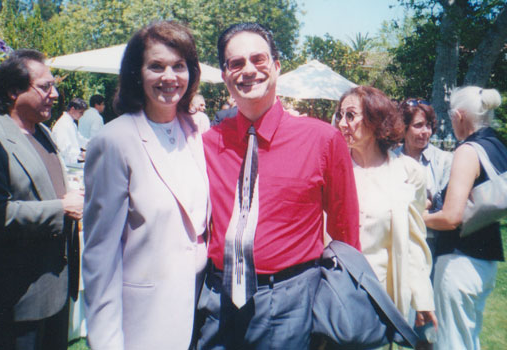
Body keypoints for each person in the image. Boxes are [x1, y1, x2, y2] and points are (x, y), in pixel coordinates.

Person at [197, 23, 360, 350]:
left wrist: (336, 304)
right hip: (216, 300)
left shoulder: (322, 140)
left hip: (290, 303)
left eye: (258, 59)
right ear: (225, 74)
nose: (248, 71)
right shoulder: (206, 144)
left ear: (276, 66)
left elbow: (345, 232)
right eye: (236, 63)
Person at [82, 21, 209, 350]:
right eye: (156, 66)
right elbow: (100, 256)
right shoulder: (114, 141)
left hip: (202, 312)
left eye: (178, 66)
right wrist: (107, 343)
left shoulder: (196, 130)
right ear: (137, 73)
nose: (170, 77)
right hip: (145, 322)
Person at [0, 49, 84, 350]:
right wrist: (61, 208)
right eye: (45, 86)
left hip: (54, 289)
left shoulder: (42, 132)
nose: (54, 94)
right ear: (13, 91)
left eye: (54, 86)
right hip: (16, 300)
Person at [336, 86, 437, 338]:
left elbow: (414, 241)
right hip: (334, 293)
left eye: (350, 115)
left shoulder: (408, 172)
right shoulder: (332, 168)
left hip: (381, 297)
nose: (341, 123)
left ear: (375, 120)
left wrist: (422, 297)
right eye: (339, 115)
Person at [423, 87, 506, 350]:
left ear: (459, 115)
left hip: (459, 261)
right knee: (469, 340)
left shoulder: (468, 151)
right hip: (486, 261)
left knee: (451, 343)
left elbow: (450, 217)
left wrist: (417, 216)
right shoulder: (497, 146)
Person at [396, 99, 453, 258]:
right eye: (418, 125)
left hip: (431, 243)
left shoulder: (444, 161)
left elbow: (443, 206)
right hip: (397, 239)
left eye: (428, 125)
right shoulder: (390, 159)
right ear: (404, 128)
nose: (425, 132)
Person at [52, 98, 88, 165]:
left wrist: (93, 144)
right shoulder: (62, 124)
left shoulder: (71, 123)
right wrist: (81, 155)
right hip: (64, 164)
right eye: (81, 112)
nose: (82, 115)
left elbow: (80, 139)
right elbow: (64, 149)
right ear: (72, 109)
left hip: (72, 163)